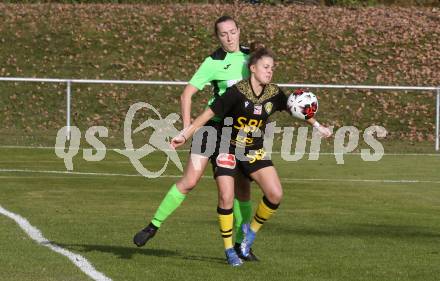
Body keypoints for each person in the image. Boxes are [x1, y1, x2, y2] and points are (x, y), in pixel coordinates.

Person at [171, 47, 332, 266]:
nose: (270, 71)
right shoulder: (236, 92)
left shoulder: (273, 93)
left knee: (275, 194)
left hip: (253, 150)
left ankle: (248, 238)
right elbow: (207, 114)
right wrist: (185, 134)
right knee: (227, 197)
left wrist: (318, 126)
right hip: (227, 147)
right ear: (253, 68)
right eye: (266, 67)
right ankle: (230, 250)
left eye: (272, 68)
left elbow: (295, 107)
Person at [133, 15, 259, 261]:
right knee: (189, 181)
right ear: (217, 37)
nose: (229, 37)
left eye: (233, 31)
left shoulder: (251, 58)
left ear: (239, 31)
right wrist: (187, 128)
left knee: (242, 188)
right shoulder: (213, 62)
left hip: (239, 132)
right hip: (211, 129)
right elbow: (186, 95)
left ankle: (243, 245)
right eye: (223, 34)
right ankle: (152, 226)